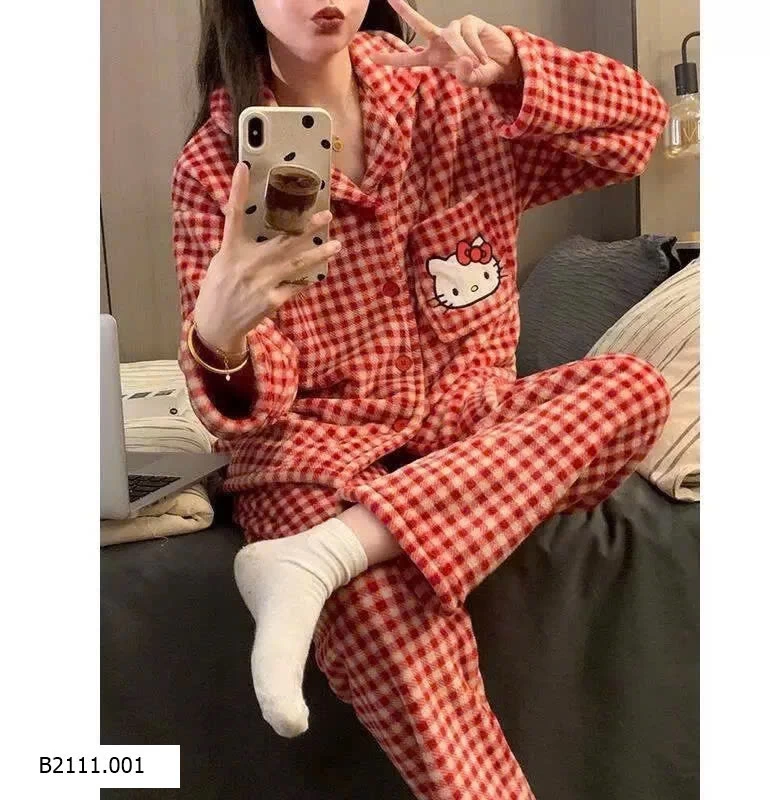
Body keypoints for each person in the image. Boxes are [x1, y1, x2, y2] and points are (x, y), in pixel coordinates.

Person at [173, 1, 671, 797]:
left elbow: (636, 132)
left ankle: (325, 553)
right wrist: (220, 335)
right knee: (385, 605)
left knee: (633, 388)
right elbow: (253, 411)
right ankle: (334, 552)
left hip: (467, 425)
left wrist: (516, 69)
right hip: (314, 456)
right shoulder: (216, 167)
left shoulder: (450, 96)